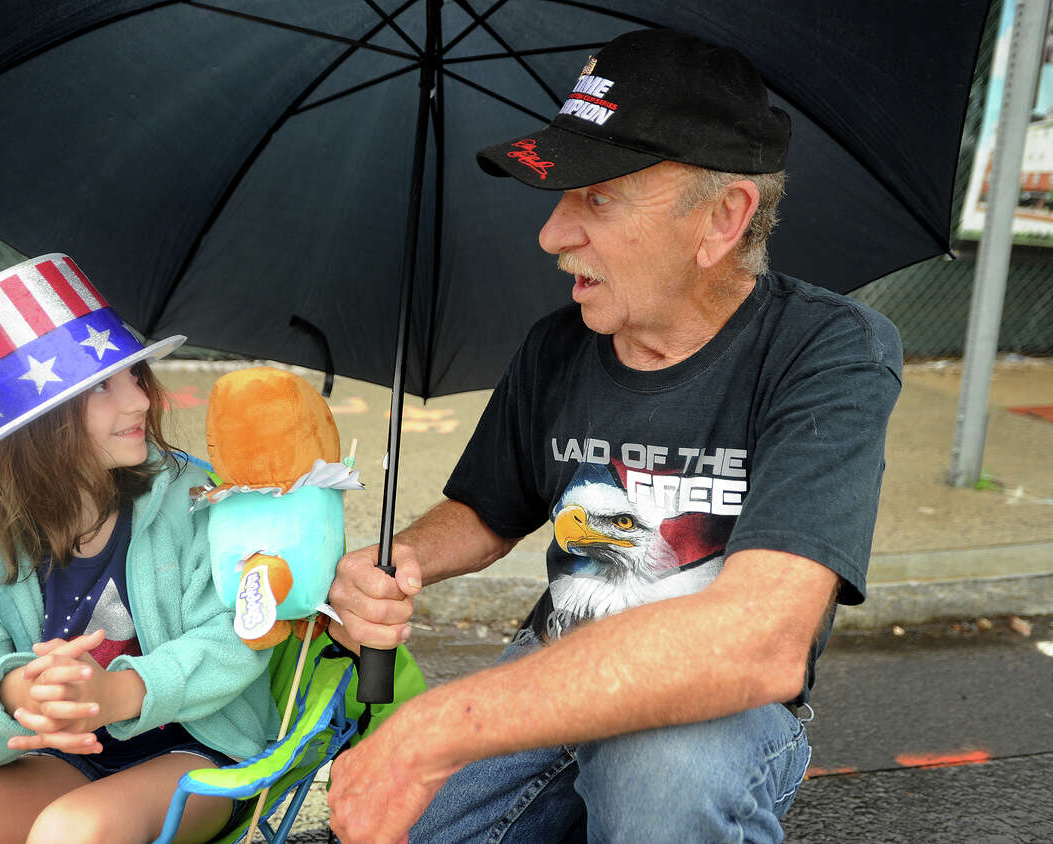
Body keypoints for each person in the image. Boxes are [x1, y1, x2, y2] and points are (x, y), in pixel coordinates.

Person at [326, 27, 903, 844]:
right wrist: (407, 557)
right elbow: (490, 509)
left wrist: (434, 726)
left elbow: (762, 642)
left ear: (722, 219)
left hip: (716, 710)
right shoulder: (560, 346)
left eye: (596, 196)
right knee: (391, 817)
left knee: (659, 781)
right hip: (555, 671)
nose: (551, 235)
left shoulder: (828, 349)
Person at [0, 254, 277, 844]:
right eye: (102, 385)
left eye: (134, 375)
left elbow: (237, 637)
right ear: (28, 427)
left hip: (197, 748)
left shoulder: (198, 498)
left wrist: (117, 692)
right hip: (56, 755)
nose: (140, 401)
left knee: (74, 832)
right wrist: (12, 696)